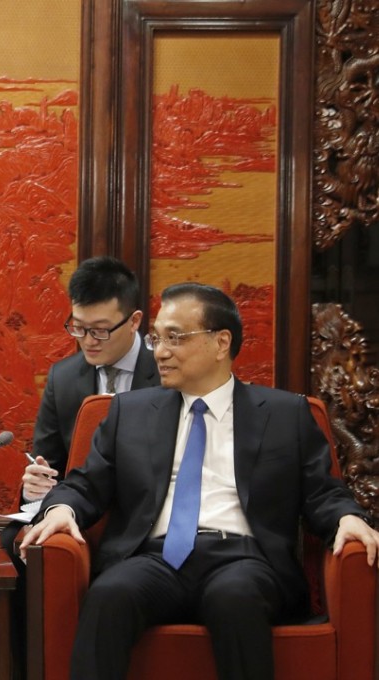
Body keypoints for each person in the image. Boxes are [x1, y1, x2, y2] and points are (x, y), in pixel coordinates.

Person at [19, 282, 379, 680]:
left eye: (175, 337)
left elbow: (323, 492)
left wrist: (347, 517)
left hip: (244, 558)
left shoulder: (284, 414)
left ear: (221, 342)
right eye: (157, 337)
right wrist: (62, 507)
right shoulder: (130, 413)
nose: (160, 351)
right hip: (154, 559)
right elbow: (86, 484)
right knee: (111, 594)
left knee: (235, 598)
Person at [23, 255, 160, 504]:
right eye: (79, 327)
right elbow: (48, 465)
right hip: (80, 515)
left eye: (100, 330)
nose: (88, 341)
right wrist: (35, 486)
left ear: (134, 321)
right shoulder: (62, 378)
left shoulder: (168, 373)